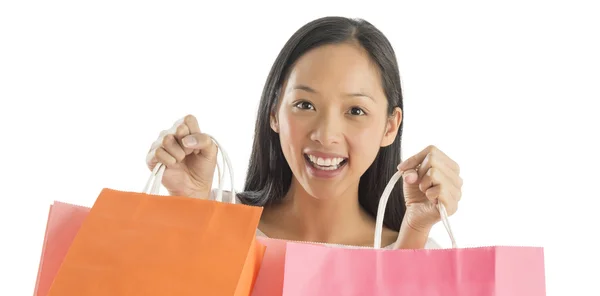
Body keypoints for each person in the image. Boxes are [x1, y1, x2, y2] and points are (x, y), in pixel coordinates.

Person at [146, 16, 462, 249]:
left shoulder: (414, 246)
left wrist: (414, 233)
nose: (326, 134)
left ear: (389, 127)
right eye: (305, 105)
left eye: (355, 111)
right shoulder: (215, 216)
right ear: (274, 112)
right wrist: (189, 207)